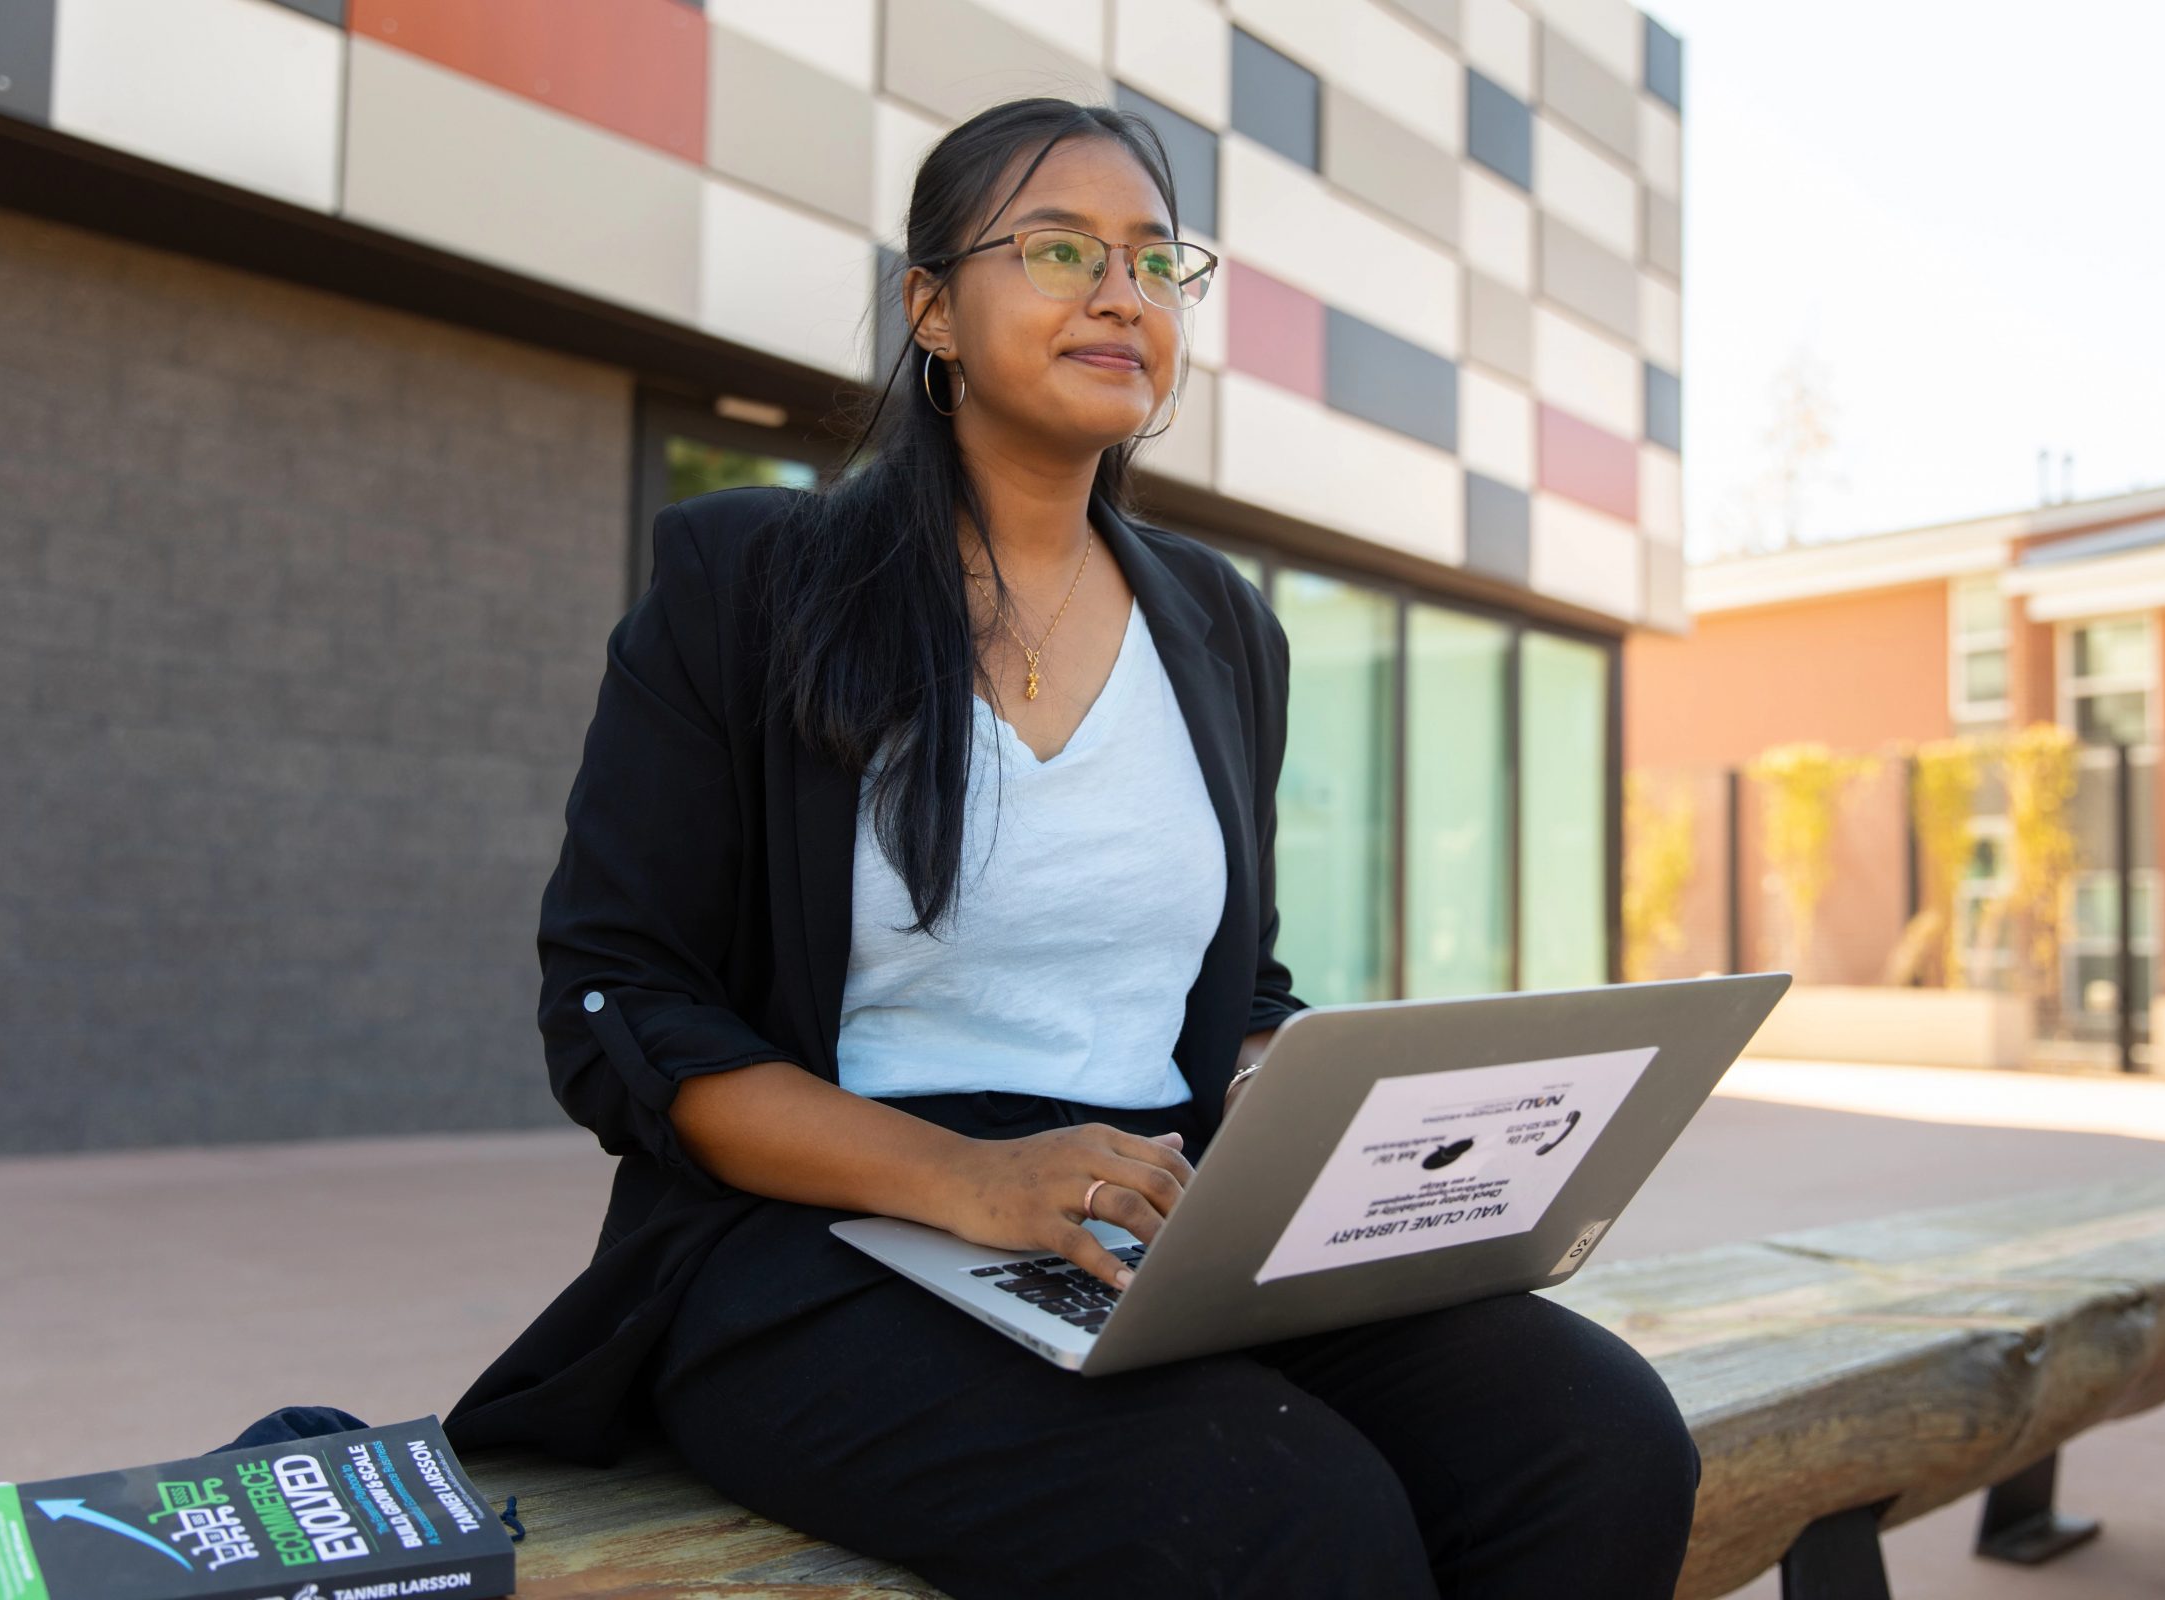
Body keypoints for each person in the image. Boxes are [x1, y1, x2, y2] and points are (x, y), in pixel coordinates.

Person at [442, 96, 1702, 1599]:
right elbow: (617, 1006)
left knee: (1601, 1439)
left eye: (1157, 264)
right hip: (822, 1238)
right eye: (1057, 249)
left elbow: (1238, 993)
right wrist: (974, 1180)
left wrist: (1325, 1121)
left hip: (1152, 1225)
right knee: (1285, 1521)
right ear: (933, 311)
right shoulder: (751, 578)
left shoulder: (1221, 623)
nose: (1120, 293)